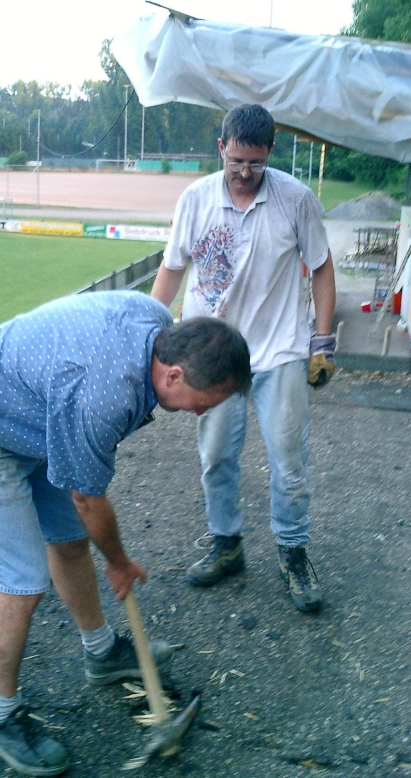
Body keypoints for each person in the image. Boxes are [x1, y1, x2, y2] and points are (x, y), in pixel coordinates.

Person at [0, 290, 251, 776]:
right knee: (21, 582)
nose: (201, 413)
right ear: (174, 375)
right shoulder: (106, 394)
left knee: (70, 541)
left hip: (36, 419)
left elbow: (80, 507)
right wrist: (120, 563)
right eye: (202, 403)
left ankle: (101, 654)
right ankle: (0, 718)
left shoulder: (158, 324)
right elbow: (88, 499)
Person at [151, 104, 336, 614]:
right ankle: (226, 544)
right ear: (221, 149)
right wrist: (146, 326)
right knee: (215, 457)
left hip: (278, 351)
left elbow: (320, 268)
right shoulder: (194, 200)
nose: (245, 173)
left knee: (289, 462)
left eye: (255, 163)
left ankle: (293, 552)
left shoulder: (296, 200)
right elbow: (172, 269)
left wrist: (322, 342)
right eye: (236, 162)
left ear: (269, 153)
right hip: (212, 355)